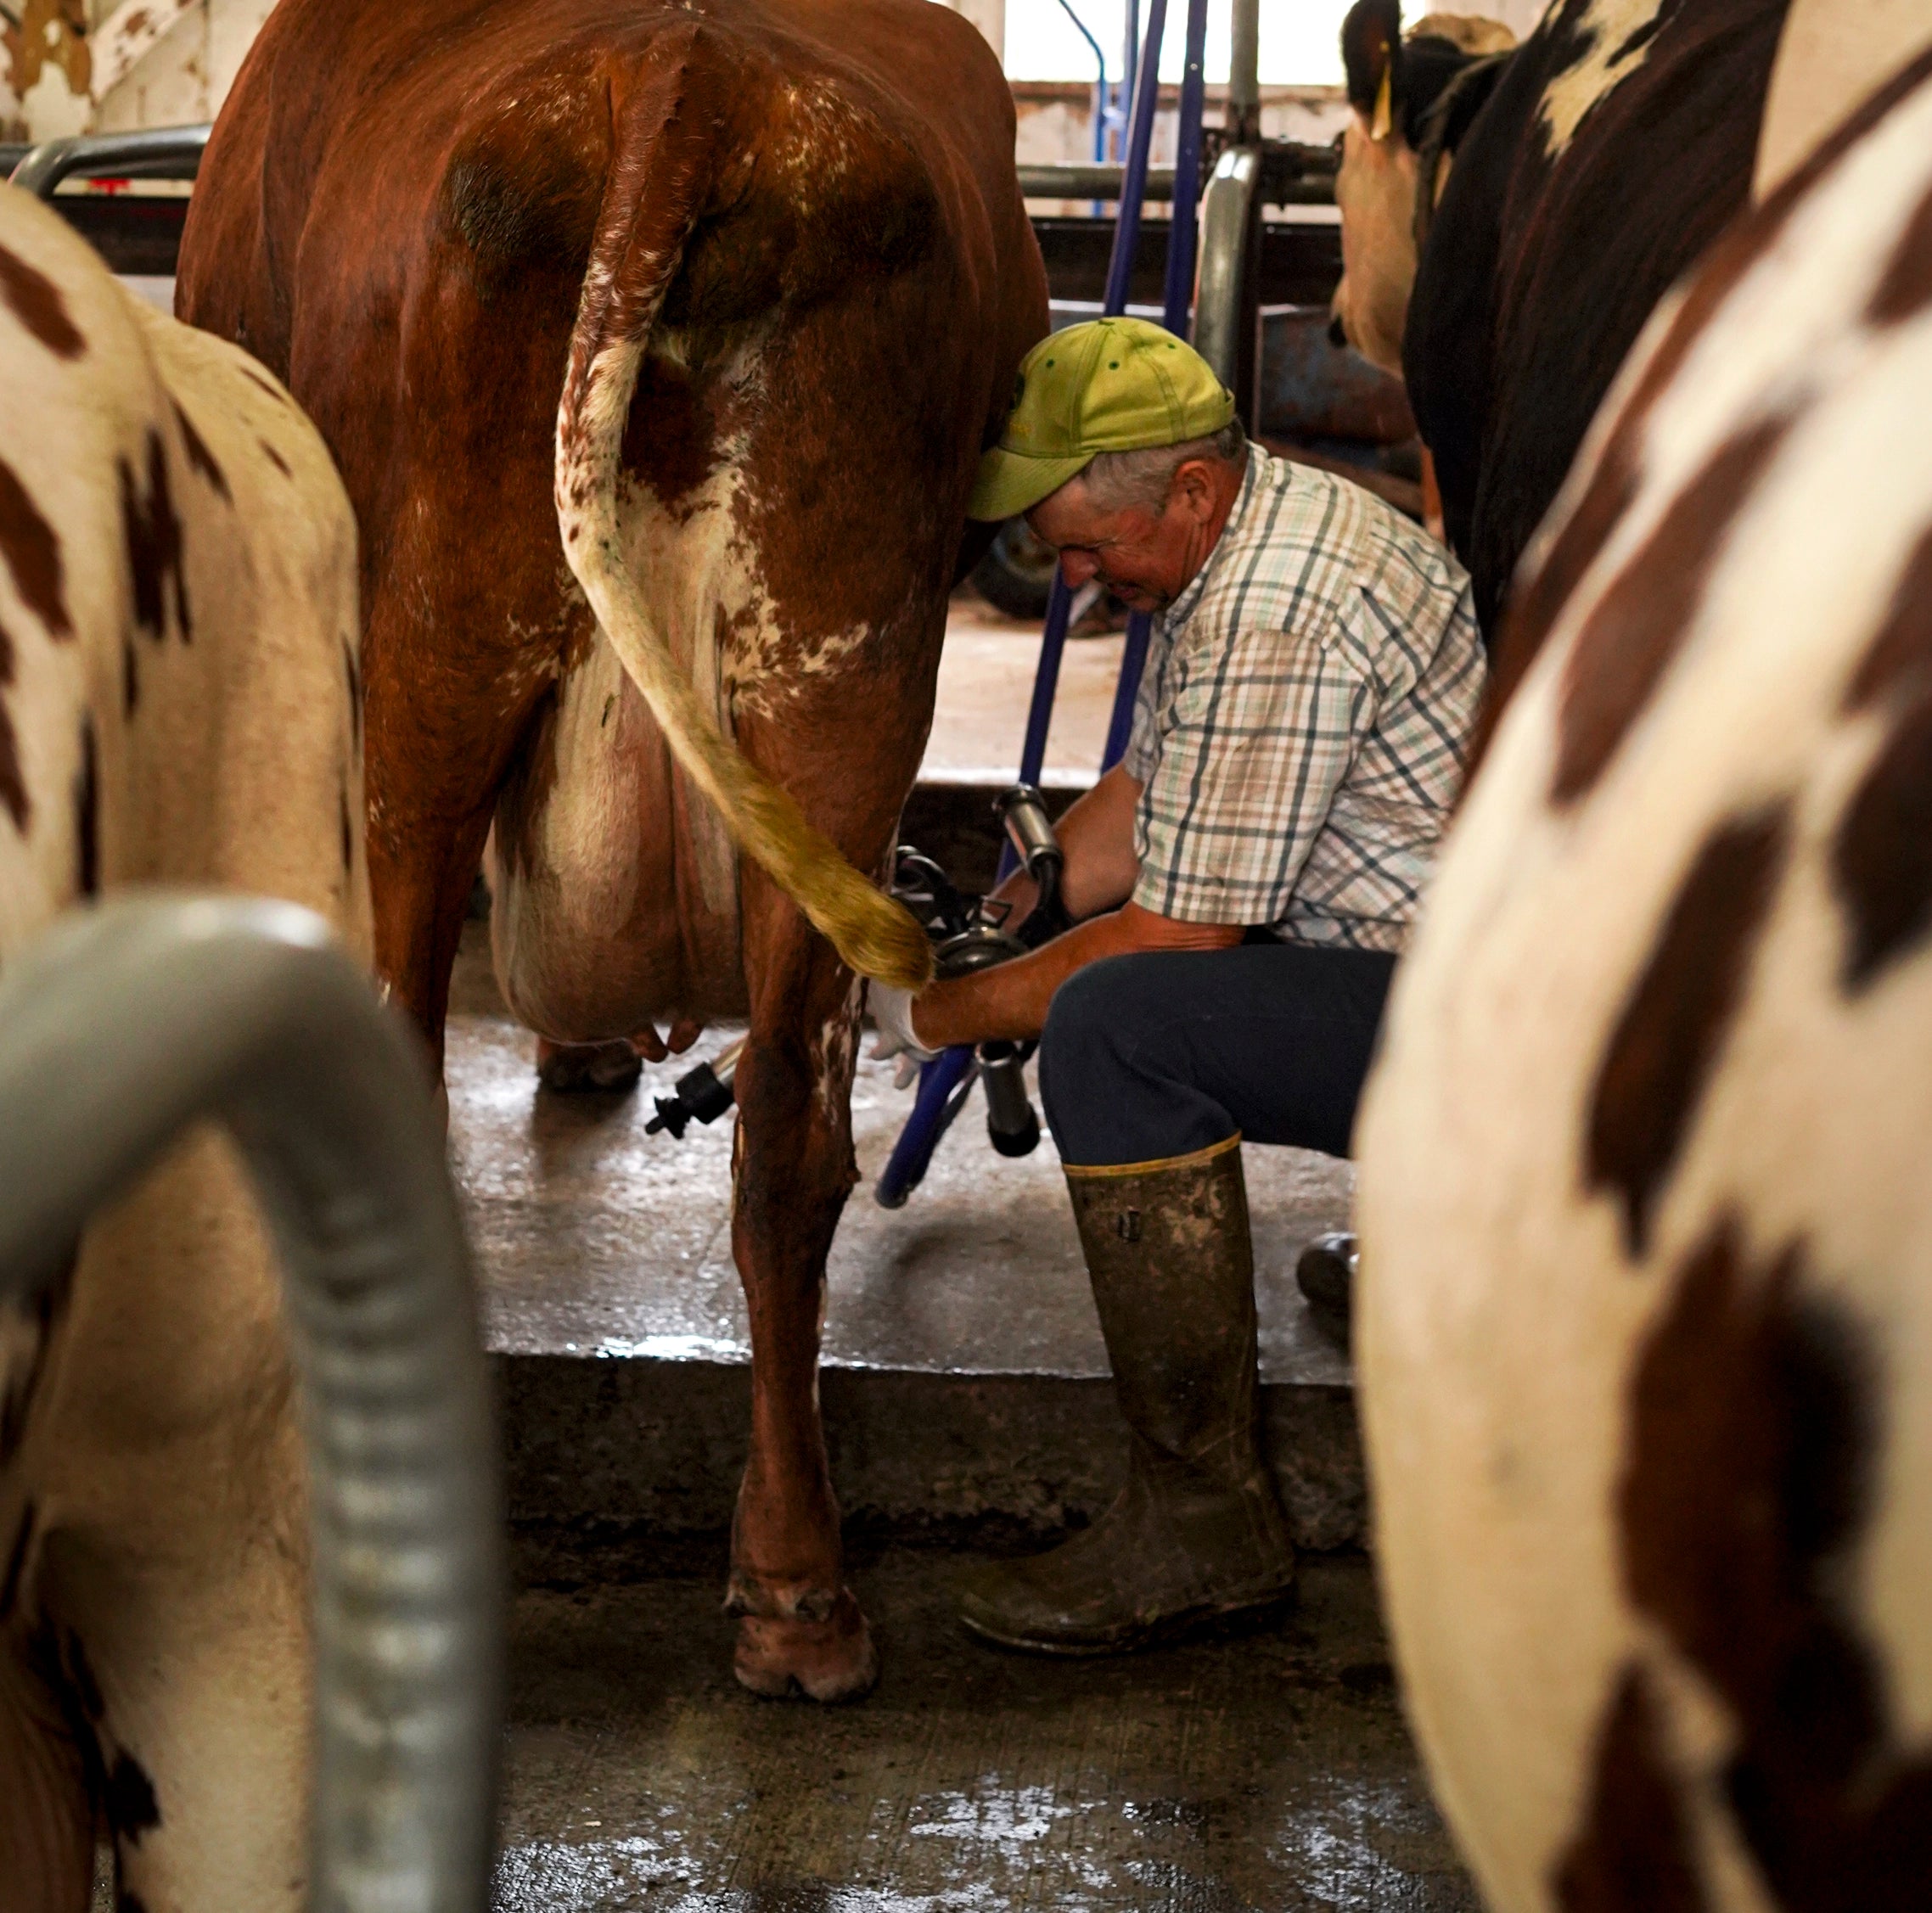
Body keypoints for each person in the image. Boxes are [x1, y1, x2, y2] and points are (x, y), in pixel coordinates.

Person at [870, 317, 1486, 1655]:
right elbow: (1156, 790)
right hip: (1461, 969)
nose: (1072, 574)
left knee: (1115, 1031)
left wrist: (927, 1012)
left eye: (1085, 542)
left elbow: (1176, 940)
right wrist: (1015, 905)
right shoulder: (1250, 539)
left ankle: (1204, 1523)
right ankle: (1448, 1251)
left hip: (1498, 1032)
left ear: (1191, 490)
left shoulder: (1275, 604)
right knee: (1090, 977)